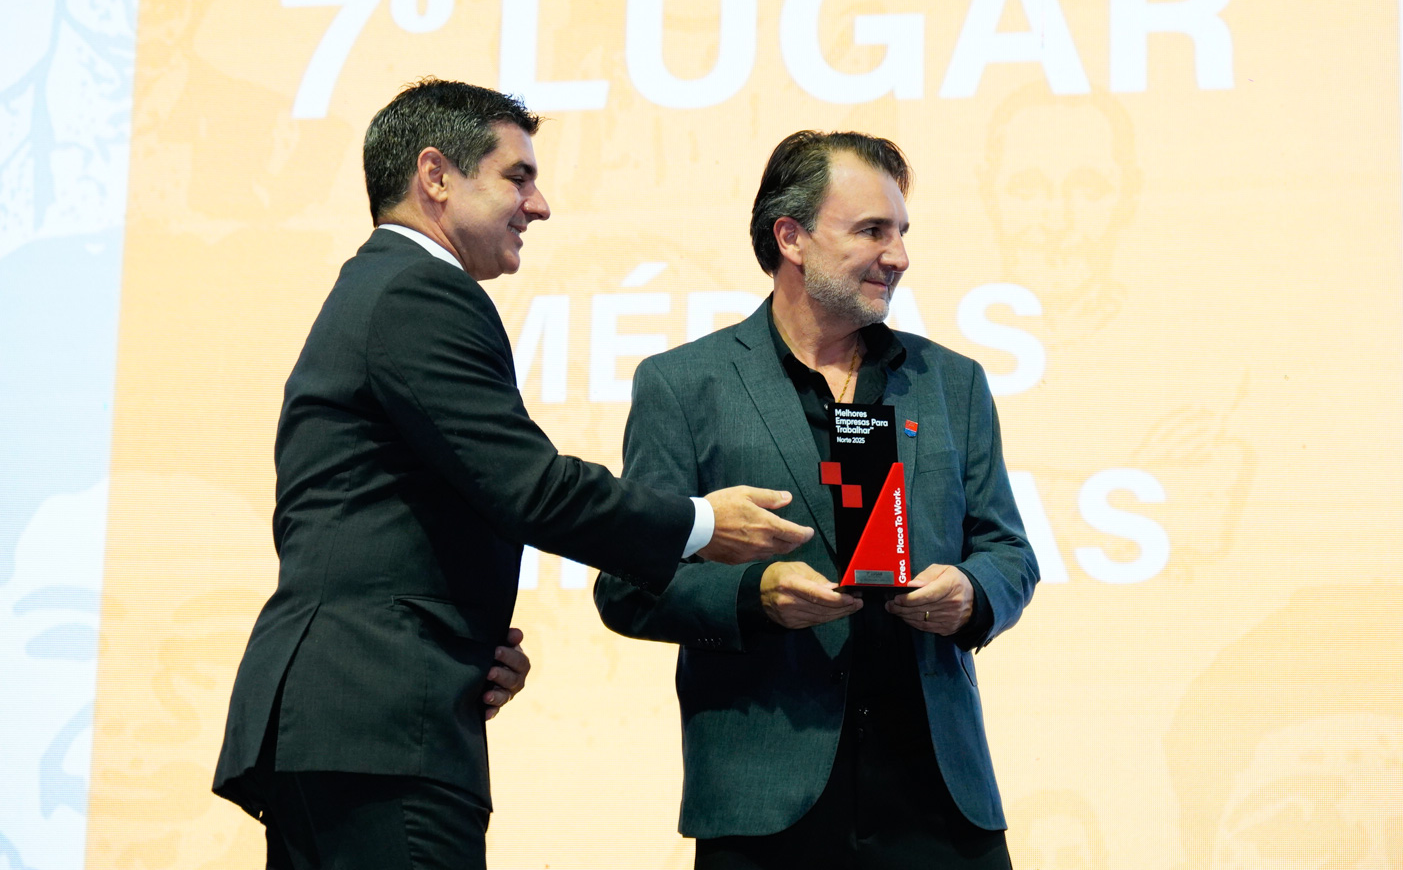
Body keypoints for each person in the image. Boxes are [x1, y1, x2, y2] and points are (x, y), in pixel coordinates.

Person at [212, 78, 813, 868]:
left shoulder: (378, 288)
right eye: (517, 177)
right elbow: (530, 488)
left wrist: (464, 645)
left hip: (355, 719)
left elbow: (368, 521)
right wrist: (702, 523)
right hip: (379, 729)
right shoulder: (419, 290)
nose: (540, 205)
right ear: (436, 176)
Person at [595, 130, 1040, 868]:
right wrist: (754, 596)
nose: (899, 255)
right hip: (766, 804)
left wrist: (973, 592)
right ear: (791, 237)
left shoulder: (951, 382)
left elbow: (1009, 551)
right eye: (872, 230)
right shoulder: (684, 385)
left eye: (902, 232)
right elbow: (626, 586)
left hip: (938, 799)